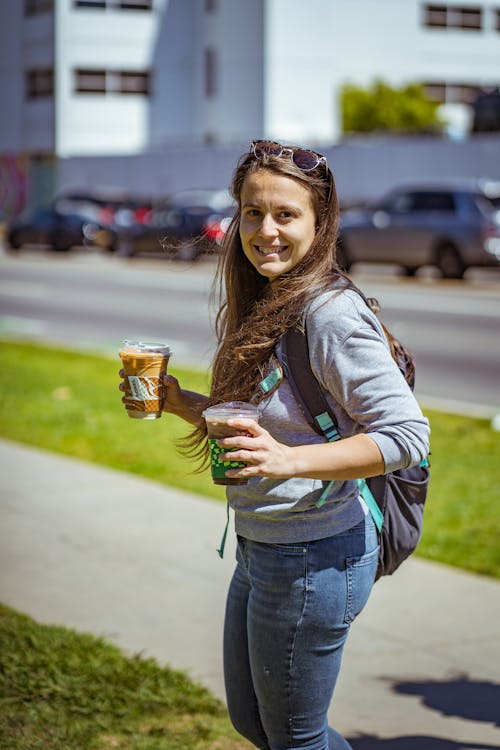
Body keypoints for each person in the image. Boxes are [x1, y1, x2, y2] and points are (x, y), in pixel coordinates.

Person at [120, 140, 430, 749]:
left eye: (286, 215)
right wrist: (181, 402)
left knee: (296, 740)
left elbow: (407, 435)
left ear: (320, 222)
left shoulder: (329, 314)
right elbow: (272, 426)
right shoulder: (270, 298)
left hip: (315, 557)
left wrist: (291, 462)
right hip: (264, 546)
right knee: (254, 724)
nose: (266, 231)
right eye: (253, 213)